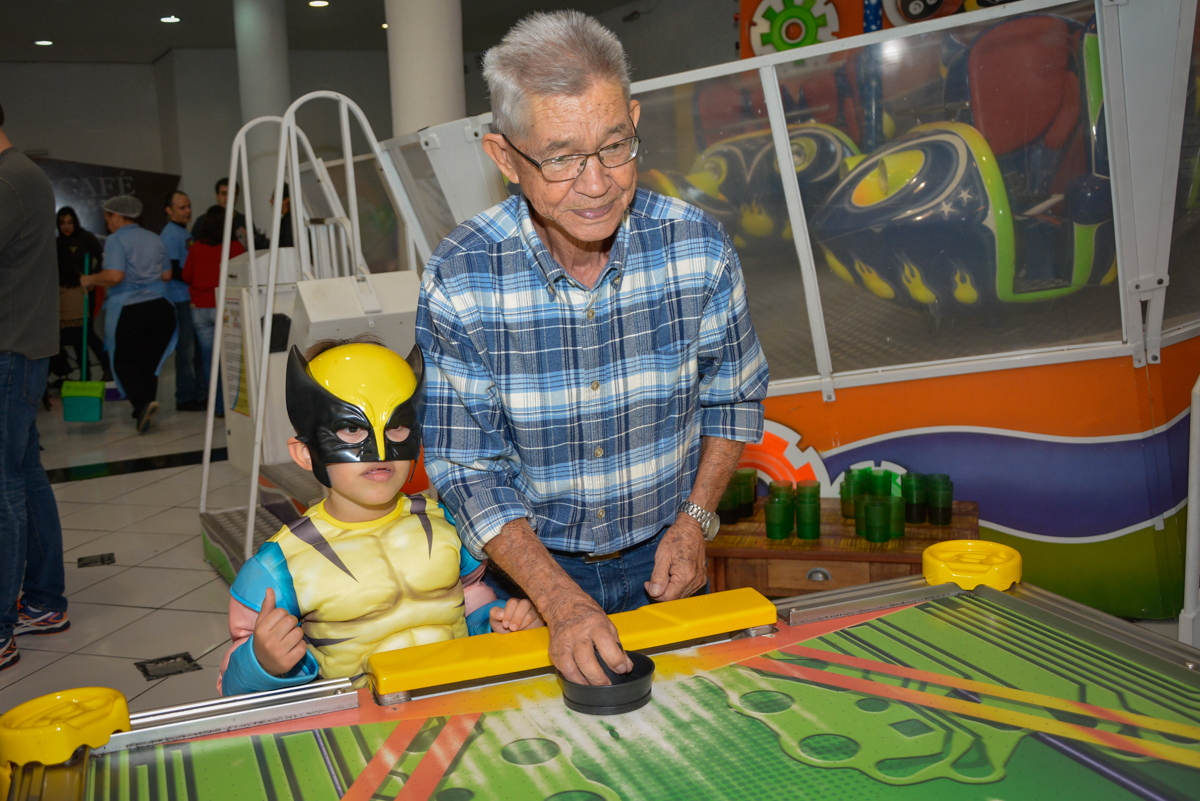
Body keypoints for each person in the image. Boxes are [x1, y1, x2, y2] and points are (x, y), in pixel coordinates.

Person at [415, 11, 769, 687]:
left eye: (614, 146)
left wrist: (696, 519)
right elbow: (466, 466)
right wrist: (556, 598)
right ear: (504, 158)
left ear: (633, 121)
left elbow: (733, 398)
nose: (598, 182)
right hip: (525, 580)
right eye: (560, 158)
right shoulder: (462, 276)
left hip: (667, 554)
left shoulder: (697, 248)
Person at [217, 337, 542, 696]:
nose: (380, 450)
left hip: (458, 699)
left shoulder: (447, 524)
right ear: (306, 453)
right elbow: (232, 686)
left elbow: (471, 602)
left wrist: (498, 622)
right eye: (351, 428)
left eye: (395, 426)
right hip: (364, 722)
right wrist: (263, 663)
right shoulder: (278, 566)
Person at [0, 100, 70, 671]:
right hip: (22, 350)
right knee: (23, 476)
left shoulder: (8, 180)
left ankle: (1, 629)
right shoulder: (23, 174)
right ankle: (44, 602)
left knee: (5, 488)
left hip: (8, 352)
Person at [82, 195, 177, 432]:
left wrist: (90, 279)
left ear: (116, 216)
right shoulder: (154, 237)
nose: (108, 224)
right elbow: (167, 275)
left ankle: (143, 404)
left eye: (108, 219)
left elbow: (115, 276)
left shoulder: (116, 239)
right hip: (162, 309)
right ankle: (144, 411)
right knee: (149, 363)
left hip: (132, 309)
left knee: (123, 361)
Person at [183, 204, 244, 415]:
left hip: (200, 308)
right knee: (231, 358)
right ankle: (234, 406)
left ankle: (217, 407)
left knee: (209, 360)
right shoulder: (235, 248)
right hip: (226, 308)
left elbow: (187, 276)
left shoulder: (196, 248)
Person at [50, 206, 111, 383]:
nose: (66, 227)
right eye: (62, 223)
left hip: (85, 292)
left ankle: (106, 366)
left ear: (75, 222)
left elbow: (102, 260)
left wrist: (93, 279)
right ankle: (86, 374)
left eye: (70, 222)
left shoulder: (86, 238)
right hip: (65, 297)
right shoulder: (57, 243)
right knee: (78, 335)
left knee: (86, 332)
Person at [161, 190, 206, 412]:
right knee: (186, 350)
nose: (188, 211)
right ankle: (185, 397)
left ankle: (198, 393)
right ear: (169, 211)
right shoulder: (170, 234)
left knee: (195, 349)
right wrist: (196, 278)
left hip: (189, 297)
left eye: (189, 206)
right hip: (180, 298)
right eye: (182, 207)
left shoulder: (183, 232)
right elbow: (172, 269)